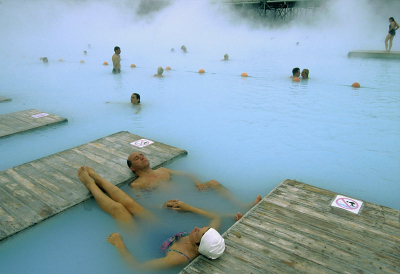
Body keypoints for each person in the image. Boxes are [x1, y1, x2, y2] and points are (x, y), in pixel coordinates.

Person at [77, 166, 225, 270]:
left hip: (142, 238)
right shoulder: (208, 239)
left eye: (197, 233)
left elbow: (137, 268)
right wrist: (189, 208)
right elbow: (216, 218)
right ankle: (98, 178)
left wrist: (119, 245)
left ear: (198, 246)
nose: (195, 228)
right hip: (161, 228)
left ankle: (89, 184)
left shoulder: (177, 258)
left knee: (118, 209)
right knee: (130, 203)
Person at [126, 152, 262, 207]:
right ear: (132, 168)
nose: (142, 157)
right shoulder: (137, 184)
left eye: (142, 155)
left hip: (187, 192)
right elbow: (141, 205)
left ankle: (242, 205)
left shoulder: (162, 170)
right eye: (137, 158)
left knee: (214, 183)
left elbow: (188, 174)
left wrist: (197, 183)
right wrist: (163, 205)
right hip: (174, 204)